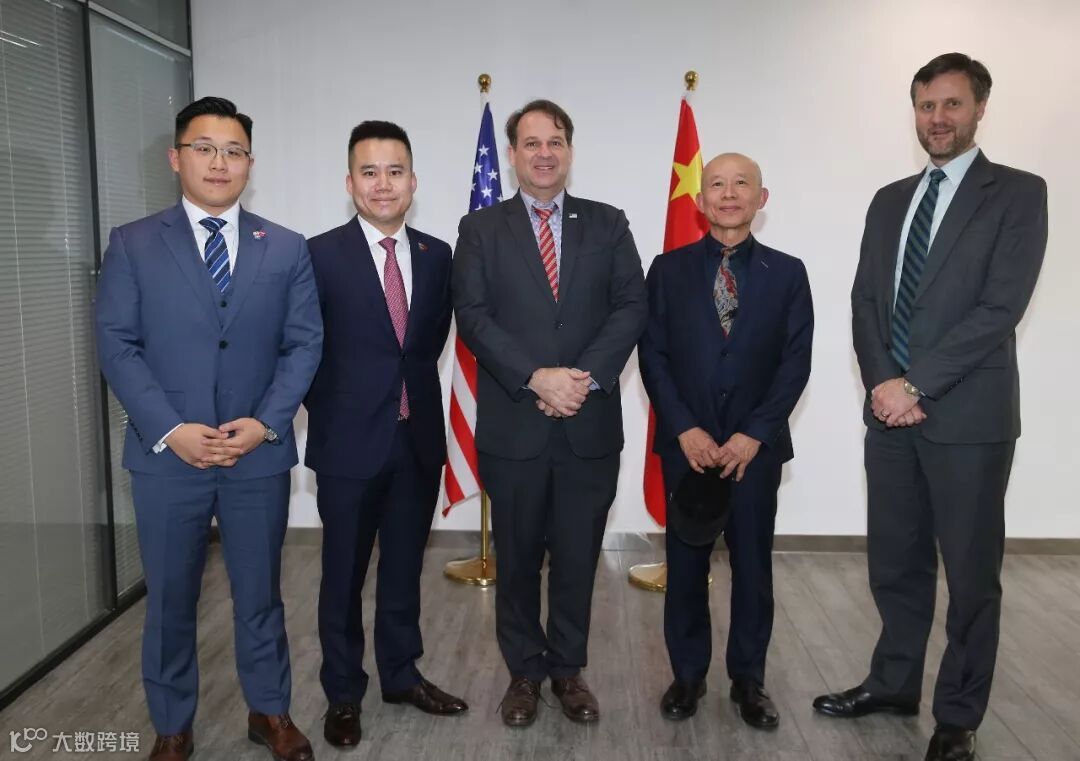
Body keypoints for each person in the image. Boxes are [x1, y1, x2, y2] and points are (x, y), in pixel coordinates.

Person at [812, 53, 1048, 761]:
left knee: (971, 577)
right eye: (925, 105)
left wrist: (915, 385)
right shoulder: (890, 199)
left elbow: (1000, 307)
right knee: (895, 562)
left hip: (968, 419)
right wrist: (885, 385)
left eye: (951, 104)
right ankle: (893, 683)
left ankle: (958, 715)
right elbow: (865, 301)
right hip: (890, 416)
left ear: (979, 109)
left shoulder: (1018, 193)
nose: (937, 118)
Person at [95, 96, 322, 761]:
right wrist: (171, 429)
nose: (219, 162)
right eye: (204, 148)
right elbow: (117, 345)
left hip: (255, 456)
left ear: (250, 163)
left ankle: (270, 710)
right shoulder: (134, 243)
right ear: (176, 158)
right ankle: (172, 724)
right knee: (170, 599)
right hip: (168, 459)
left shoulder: (285, 246)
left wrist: (266, 423)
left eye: (233, 151)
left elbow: (304, 344)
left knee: (260, 595)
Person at [452, 99, 647, 727]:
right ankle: (524, 674)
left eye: (555, 141)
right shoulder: (481, 229)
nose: (544, 153)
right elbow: (473, 316)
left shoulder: (608, 223)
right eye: (532, 143)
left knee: (577, 557)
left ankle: (568, 670)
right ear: (512, 154)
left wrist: (580, 379)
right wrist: (536, 377)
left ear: (569, 150)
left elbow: (631, 306)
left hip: (589, 426)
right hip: (515, 426)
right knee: (515, 561)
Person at [303, 121, 466, 747]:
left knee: (402, 570)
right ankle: (344, 693)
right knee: (342, 576)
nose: (382, 184)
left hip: (416, 439)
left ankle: (401, 674)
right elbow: (302, 348)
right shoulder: (317, 254)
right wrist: (337, 410)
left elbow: (427, 343)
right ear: (349, 183)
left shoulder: (437, 254)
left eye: (394, 171)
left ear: (413, 181)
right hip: (347, 444)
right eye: (368, 172)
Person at [638, 152, 813, 730]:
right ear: (700, 200)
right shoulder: (667, 270)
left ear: (762, 199)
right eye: (717, 184)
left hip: (753, 454)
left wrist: (753, 434)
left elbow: (795, 363)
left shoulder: (788, 273)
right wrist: (684, 428)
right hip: (686, 449)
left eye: (742, 184)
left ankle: (749, 680)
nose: (729, 193)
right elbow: (653, 355)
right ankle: (687, 676)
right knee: (685, 566)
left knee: (753, 568)